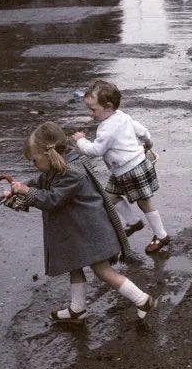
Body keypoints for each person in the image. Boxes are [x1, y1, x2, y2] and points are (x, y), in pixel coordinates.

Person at [2, 121, 157, 324]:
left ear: (49, 154)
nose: (33, 165)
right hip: (77, 232)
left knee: (103, 272)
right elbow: (39, 185)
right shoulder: (57, 169)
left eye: (34, 160)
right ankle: (78, 309)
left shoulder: (72, 173)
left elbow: (51, 199)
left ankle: (142, 300)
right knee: (74, 266)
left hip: (91, 233)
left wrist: (26, 192)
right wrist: (18, 190)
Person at [72, 80, 171, 254]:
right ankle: (133, 222)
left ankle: (161, 235)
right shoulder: (123, 116)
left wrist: (81, 141)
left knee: (144, 202)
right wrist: (148, 143)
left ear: (108, 107)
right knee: (110, 196)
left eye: (93, 109)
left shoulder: (107, 129)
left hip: (130, 170)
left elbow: (96, 150)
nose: (90, 114)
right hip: (127, 168)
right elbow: (142, 131)